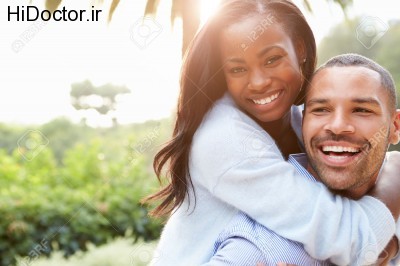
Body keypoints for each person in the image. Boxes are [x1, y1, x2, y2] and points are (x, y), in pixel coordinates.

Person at [142, 1, 400, 265]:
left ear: (300, 49)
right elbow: (349, 239)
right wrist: (395, 182)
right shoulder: (223, 138)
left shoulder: (304, 121)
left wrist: (387, 244)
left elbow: (352, 211)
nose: (259, 82)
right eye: (238, 69)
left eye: (272, 59)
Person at [206, 53, 400, 266]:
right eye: (321, 110)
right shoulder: (259, 246)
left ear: (395, 127)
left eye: (361, 110)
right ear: (303, 120)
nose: (337, 125)